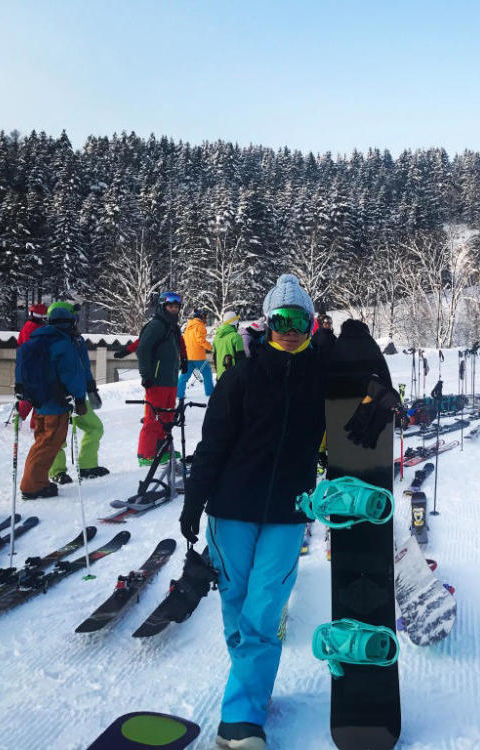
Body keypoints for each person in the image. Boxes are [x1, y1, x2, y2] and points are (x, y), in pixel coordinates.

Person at [180, 274, 359, 750]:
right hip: (231, 510)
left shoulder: (322, 377)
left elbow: (363, 390)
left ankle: (239, 721)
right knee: (236, 611)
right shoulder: (241, 376)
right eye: (281, 319)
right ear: (268, 322)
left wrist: (368, 368)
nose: (290, 329)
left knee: (263, 610)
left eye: (299, 319)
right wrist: (193, 502)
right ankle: (253, 695)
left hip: (287, 512)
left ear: (311, 322)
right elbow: (213, 444)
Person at [16, 305, 90, 498]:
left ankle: (36, 480)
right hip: (56, 403)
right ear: (69, 322)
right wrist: (80, 399)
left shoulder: (34, 341)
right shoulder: (63, 344)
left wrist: (21, 389)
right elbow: (72, 375)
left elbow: (20, 365)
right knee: (49, 444)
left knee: (41, 442)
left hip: (38, 401)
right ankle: (32, 486)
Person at [45, 301, 108, 484]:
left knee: (94, 427)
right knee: (58, 436)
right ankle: (57, 471)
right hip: (56, 398)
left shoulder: (77, 339)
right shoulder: (48, 340)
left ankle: (87, 465)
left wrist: (91, 389)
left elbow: (84, 367)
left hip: (77, 395)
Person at [136, 291, 185, 467]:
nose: (174, 309)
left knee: (167, 416)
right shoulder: (156, 325)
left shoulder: (172, 327)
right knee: (154, 417)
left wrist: (183, 360)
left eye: (176, 306)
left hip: (170, 379)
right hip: (156, 380)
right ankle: (146, 454)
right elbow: (143, 350)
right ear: (163, 307)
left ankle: (162, 448)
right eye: (170, 306)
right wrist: (146, 375)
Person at [15, 303, 49, 421]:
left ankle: (20, 415)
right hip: (38, 367)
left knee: (28, 394)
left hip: (26, 366)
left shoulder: (27, 327)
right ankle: (35, 423)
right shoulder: (39, 329)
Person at [178, 307, 214, 400]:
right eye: (205, 316)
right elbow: (200, 340)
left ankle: (179, 393)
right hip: (198, 356)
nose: (206, 318)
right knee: (207, 373)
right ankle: (210, 393)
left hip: (188, 355)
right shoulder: (200, 326)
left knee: (184, 376)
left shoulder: (189, 326)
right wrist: (210, 347)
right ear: (201, 316)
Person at [212, 310, 245, 378]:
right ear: (234, 323)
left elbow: (214, 358)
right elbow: (241, 359)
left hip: (220, 377)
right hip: (233, 377)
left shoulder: (216, 338)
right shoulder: (236, 337)